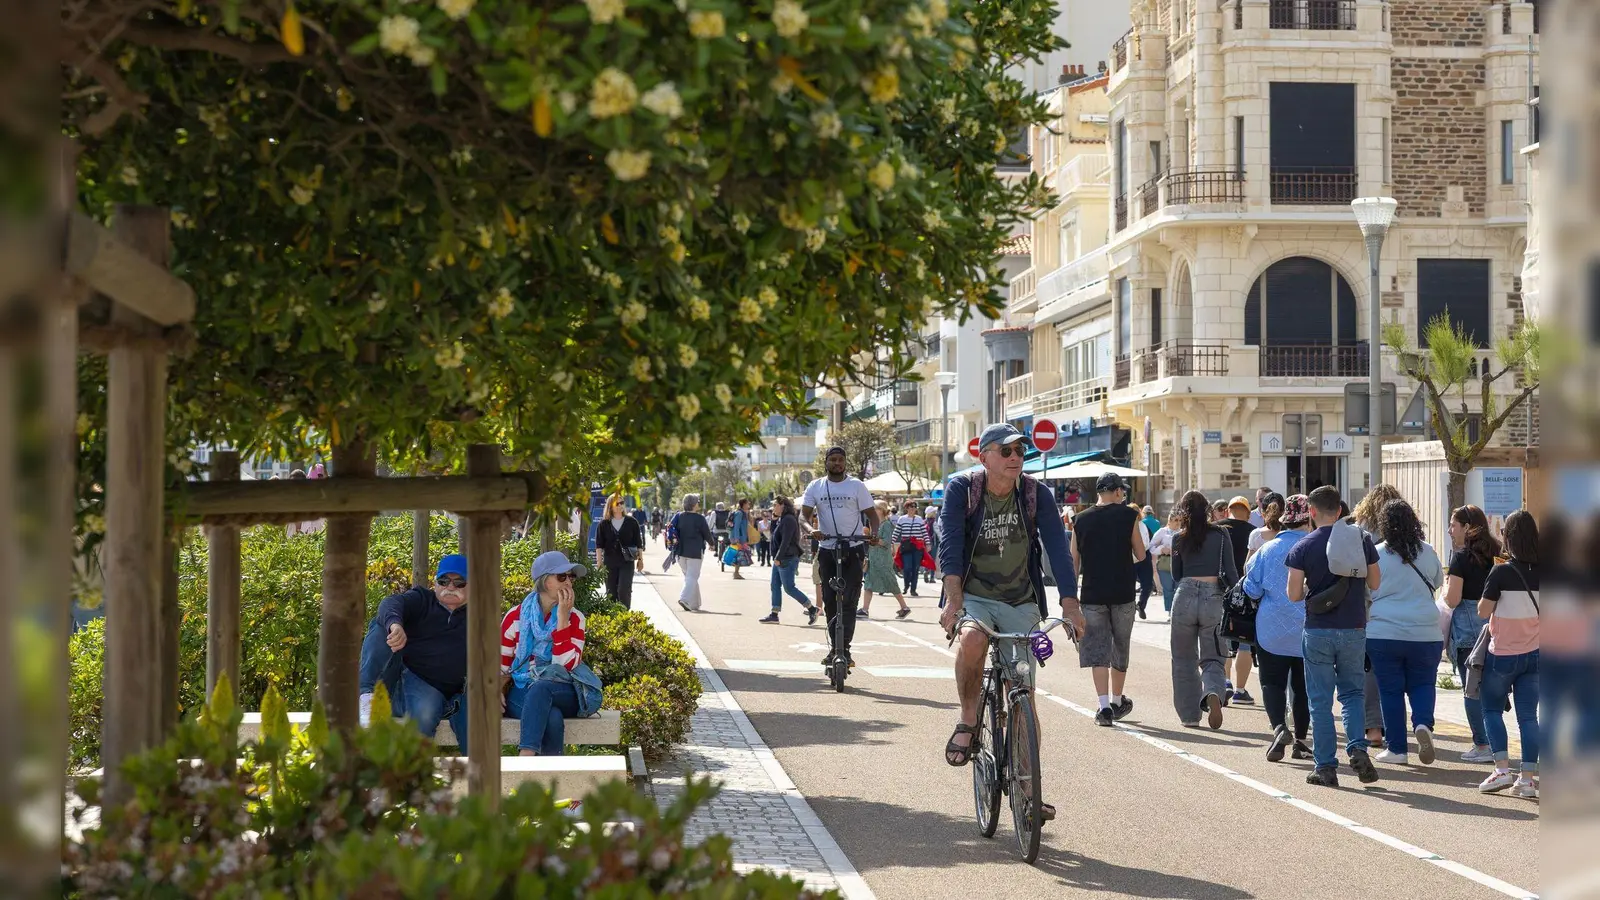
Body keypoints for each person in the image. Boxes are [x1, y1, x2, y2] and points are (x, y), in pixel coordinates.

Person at [939, 423, 1084, 809]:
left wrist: (1071, 603)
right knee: (972, 640)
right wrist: (954, 600)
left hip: (1022, 600)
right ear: (983, 455)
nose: (1015, 458)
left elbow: (1057, 547)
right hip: (974, 594)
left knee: (1024, 692)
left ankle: (1029, 791)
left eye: (1021, 451)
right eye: (1006, 452)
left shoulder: (1037, 494)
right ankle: (969, 720)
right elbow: (951, 544)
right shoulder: (963, 490)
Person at [1287, 485, 1382, 788]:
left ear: (1311, 512)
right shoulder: (1362, 540)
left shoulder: (1303, 546)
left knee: (1319, 699)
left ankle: (1326, 766)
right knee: (1353, 694)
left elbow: (1292, 594)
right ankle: (1357, 746)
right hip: (1354, 627)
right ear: (1340, 511)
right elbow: (1376, 582)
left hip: (1317, 629)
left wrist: (1314, 590)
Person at [358, 554, 473, 748]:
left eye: (459, 582)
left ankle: (406, 773)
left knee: (425, 719)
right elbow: (390, 603)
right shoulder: (422, 599)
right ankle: (365, 695)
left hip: (429, 686)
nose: (450, 587)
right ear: (435, 584)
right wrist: (395, 626)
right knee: (382, 624)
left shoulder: (477, 617)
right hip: (392, 677)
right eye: (443, 581)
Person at [1365, 498, 1445, 766]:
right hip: (1425, 632)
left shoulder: (1376, 554)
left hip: (1384, 632)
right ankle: (1423, 724)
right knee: (1423, 684)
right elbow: (1437, 583)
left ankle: (1397, 749)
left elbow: (1369, 590)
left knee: (1390, 691)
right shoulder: (1428, 551)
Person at [499, 551, 603, 756]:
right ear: (545, 582)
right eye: (562, 577)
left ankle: (525, 760)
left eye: (571, 577)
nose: (569, 583)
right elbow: (500, 666)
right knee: (552, 717)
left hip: (564, 689)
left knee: (542, 688)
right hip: (523, 688)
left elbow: (564, 666)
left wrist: (563, 619)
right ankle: (551, 782)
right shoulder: (515, 617)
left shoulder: (576, 618)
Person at [1069, 472, 1145, 726]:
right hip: (1122, 592)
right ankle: (1116, 699)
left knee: (1097, 651)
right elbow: (1141, 553)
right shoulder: (1128, 516)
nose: (1123, 495)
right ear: (1116, 492)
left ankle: (1103, 707)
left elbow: (1073, 563)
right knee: (1120, 647)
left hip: (1092, 593)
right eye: (1121, 491)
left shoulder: (1080, 520)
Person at [1243, 493, 1313, 762]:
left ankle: (1279, 728)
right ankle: (1302, 740)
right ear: (1310, 518)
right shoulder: (1317, 547)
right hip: (1308, 626)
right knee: (1303, 686)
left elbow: (1250, 587)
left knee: (1272, 682)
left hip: (1271, 626)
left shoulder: (1268, 549)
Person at [1476, 510, 1541, 797]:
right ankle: (1527, 780)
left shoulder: (1501, 572)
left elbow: (1483, 611)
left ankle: (1502, 770)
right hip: (1536, 653)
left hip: (1502, 654)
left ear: (1508, 538)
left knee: (1491, 708)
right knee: (1528, 717)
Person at [802, 447, 881, 669]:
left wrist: (873, 534)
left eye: (841, 460)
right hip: (827, 548)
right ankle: (834, 649)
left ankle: (844, 649)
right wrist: (812, 529)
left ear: (845, 463)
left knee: (849, 600)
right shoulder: (815, 486)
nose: (837, 463)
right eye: (833, 459)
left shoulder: (856, 485)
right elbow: (803, 516)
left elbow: (872, 516)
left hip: (853, 548)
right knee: (829, 600)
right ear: (826, 462)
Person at [1169, 491, 1238, 729]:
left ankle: (1189, 716)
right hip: (1213, 596)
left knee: (1183, 658)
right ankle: (1212, 692)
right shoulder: (1221, 535)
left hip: (1185, 595)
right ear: (1208, 509)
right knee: (1214, 656)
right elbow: (1231, 573)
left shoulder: (1178, 538)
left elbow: (1176, 574)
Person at [1443, 504, 1499, 763]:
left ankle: (1482, 743)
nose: (1450, 530)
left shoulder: (1460, 558)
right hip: (1497, 629)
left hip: (1469, 634)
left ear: (1467, 527)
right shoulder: (1499, 553)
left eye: (1453, 525)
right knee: (1493, 690)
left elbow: (1453, 599)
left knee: (1472, 690)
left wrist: (1444, 591)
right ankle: (1497, 744)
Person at [1217, 496, 1256, 704]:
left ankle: (1225, 681)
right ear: (1248, 513)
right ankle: (1240, 690)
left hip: (1220, 589)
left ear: (1227, 511)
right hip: (1245, 592)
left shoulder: (1216, 529)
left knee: (1223, 636)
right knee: (1244, 642)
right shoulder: (1253, 531)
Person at [761, 496, 819, 624]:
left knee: (789, 588)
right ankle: (774, 614)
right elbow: (773, 536)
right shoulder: (782, 519)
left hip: (786, 558)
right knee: (775, 585)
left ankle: (812, 609)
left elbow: (786, 541)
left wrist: (778, 558)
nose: (773, 507)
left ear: (783, 506)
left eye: (775, 505)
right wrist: (774, 520)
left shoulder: (789, 520)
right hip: (780, 558)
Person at [594, 493, 645, 609]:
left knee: (624, 589)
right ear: (610, 506)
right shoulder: (604, 524)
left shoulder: (632, 522)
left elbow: (638, 543)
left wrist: (640, 560)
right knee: (610, 592)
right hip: (609, 562)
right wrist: (599, 562)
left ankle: (624, 615)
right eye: (617, 503)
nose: (620, 505)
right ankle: (613, 618)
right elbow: (599, 545)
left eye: (622, 503)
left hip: (626, 562)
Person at [863, 499, 910, 619]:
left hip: (883, 559)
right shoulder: (874, 524)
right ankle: (865, 609)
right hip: (874, 558)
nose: (873, 511)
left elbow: (887, 542)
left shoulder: (887, 525)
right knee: (868, 582)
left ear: (882, 510)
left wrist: (873, 539)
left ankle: (904, 607)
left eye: (875, 509)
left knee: (890, 582)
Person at [671, 494, 716, 612]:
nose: (699, 504)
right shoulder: (699, 518)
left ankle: (695, 603)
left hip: (680, 552)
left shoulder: (679, 516)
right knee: (692, 577)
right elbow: (707, 533)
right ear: (693, 504)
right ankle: (684, 599)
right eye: (698, 502)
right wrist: (712, 544)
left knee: (689, 577)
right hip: (695, 552)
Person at [1148, 509, 1181, 615]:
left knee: (1179, 588)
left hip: (1179, 563)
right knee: (1168, 589)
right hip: (1165, 563)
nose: (1178, 523)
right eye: (1176, 520)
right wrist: (1162, 549)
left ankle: (1177, 612)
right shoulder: (1162, 532)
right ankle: (1169, 611)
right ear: (1169, 521)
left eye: (1180, 520)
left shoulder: (1182, 532)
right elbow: (1151, 547)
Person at [895, 499, 929, 597]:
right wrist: (891, 542)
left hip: (917, 546)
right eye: (911, 507)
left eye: (914, 507)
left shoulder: (919, 519)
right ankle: (906, 586)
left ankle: (913, 589)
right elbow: (896, 532)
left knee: (915, 568)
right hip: (906, 546)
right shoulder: (901, 519)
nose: (913, 509)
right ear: (907, 508)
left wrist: (928, 544)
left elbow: (924, 533)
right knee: (907, 567)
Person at [1132, 502, 1157, 620]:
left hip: (1144, 556)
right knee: (1129, 585)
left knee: (1147, 584)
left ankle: (1141, 605)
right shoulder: (1125, 526)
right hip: (1130, 558)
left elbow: (1150, 541)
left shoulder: (1144, 526)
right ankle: (1130, 608)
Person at [728, 498, 754, 580]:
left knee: (739, 555)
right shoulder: (739, 513)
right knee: (738, 555)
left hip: (740, 537)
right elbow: (737, 526)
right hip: (738, 537)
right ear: (744, 504)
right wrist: (736, 538)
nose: (749, 505)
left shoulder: (743, 513)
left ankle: (736, 572)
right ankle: (736, 573)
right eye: (747, 503)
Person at [923, 505, 941, 585]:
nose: (936, 513)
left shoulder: (924, 522)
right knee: (932, 560)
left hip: (925, 544)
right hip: (933, 544)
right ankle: (932, 578)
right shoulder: (934, 522)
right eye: (934, 512)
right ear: (932, 513)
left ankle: (926, 570)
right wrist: (942, 541)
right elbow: (938, 533)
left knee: (927, 559)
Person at [713, 502, 732, 569]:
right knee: (726, 543)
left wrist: (710, 528)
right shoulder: (728, 512)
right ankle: (725, 550)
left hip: (717, 532)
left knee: (716, 539)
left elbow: (710, 523)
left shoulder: (714, 513)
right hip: (726, 532)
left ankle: (716, 551)